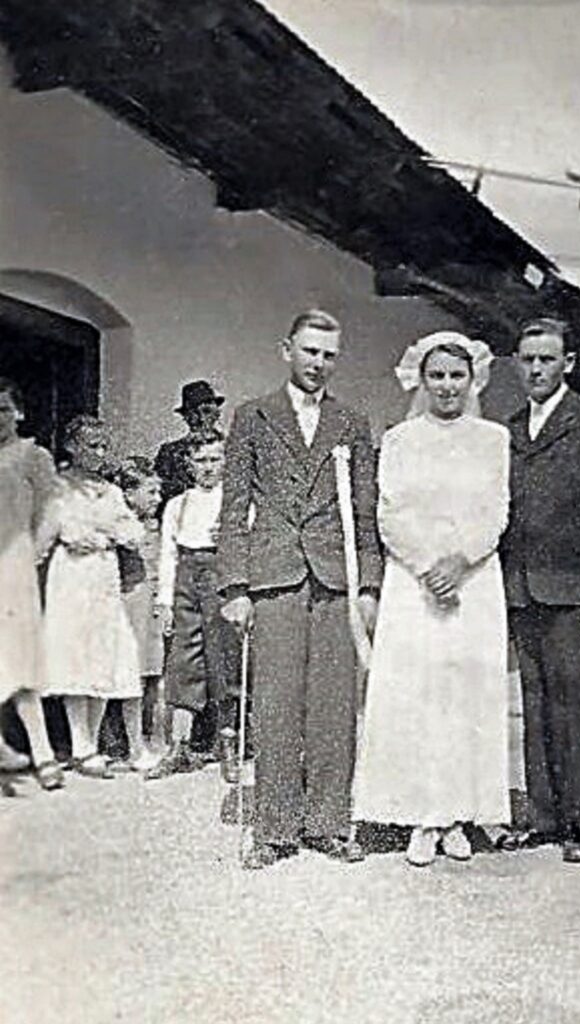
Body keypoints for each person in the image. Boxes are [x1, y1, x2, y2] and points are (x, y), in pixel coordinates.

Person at [219, 309, 381, 868]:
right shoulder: (252, 416)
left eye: (329, 355)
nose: (318, 363)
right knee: (276, 704)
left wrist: (369, 585)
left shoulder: (352, 422)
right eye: (310, 351)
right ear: (286, 349)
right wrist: (234, 586)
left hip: (335, 578)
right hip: (275, 575)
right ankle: (274, 828)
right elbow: (234, 506)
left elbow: (364, 510)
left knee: (334, 705)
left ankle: (329, 823)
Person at [352, 333, 511, 867]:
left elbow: (496, 510)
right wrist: (427, 566)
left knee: (465, 694)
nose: (447, 386)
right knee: (417, 693)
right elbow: (390, 512)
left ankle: (459, 814)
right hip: (413, 583)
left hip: (474, 581)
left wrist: (460, 561)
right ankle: (421, 816)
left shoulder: (493, 439)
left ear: (473, 379)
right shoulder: (400, 439)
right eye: (437, 375)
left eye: (456, 375)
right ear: (421, 379)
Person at [500, 318, 580, 864]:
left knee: (575, 708)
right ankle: (543, 817)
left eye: (547, 359)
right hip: (522, 590)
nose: (536, 369)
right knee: (534, 706)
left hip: (576, 592)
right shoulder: (510, 427)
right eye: (528, 359)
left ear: (567, 363)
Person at [40, 415, 144, 778]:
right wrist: (103, 530)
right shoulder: (58, 486)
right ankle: (81, 745)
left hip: (103, 577)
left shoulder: (110, 490)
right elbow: (68, 532)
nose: (99, 453)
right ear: (73, 447)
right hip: (72, 576)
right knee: (76, 654)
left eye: (104, 447)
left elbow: (133, 531)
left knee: (105, 653)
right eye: (92, 446)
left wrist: (110, 531)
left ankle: (93, 745)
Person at [147, 434, 239, 781]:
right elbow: (168, 555)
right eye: (201, 460)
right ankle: (179, 747)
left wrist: (229, 540)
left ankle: (227, 745)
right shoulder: (177, 505)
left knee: (223, 660)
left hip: (220, 581)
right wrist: (165, 601)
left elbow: (250, 546)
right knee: (183, 661)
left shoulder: (236, 501)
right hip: (186, 582)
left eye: (215, 459)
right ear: (189, 464)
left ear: (226, 461)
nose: (208, 467)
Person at [0, 378, 64, 792]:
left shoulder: (32, 455)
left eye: (4, 409)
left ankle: (43, 753)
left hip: (14, 568)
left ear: (19, 412)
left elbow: (51, 513)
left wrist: (32, 556)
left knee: (19, 659)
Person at [117, 456, 167, 768]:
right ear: (129, 493)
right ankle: (132, 743)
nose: (157, 498)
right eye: (150, 492)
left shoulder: (157, 525)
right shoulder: (122, 527)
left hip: (153, 602)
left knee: (153, 673)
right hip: (131, 601)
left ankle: (151, 737)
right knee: (132, 674)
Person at [155, 380, 224, 504]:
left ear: (217, 414)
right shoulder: (169, 454)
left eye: (207, 411)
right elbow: (160, 493)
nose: (202, 419)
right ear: (186, 417)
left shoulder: (232, 450)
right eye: (194, 413)